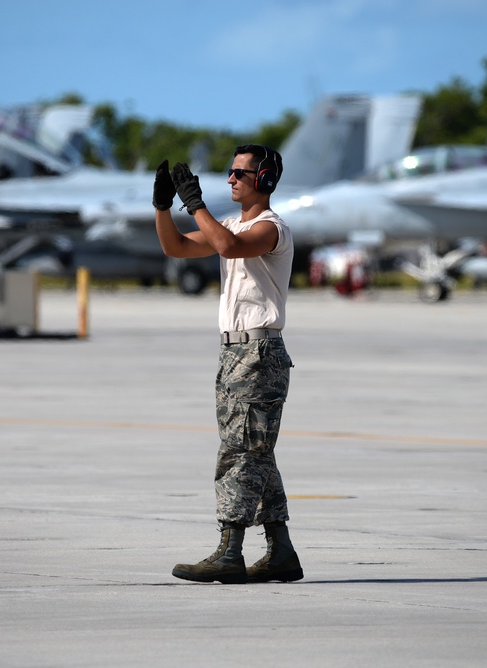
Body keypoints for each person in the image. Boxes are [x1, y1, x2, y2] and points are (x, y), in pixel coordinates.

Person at [153, 144, 303, 584]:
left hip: (258, 353)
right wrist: (164, 206)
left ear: (265, 180)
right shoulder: (233, 225)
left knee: (239, 454)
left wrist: (195, 204)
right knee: (257, 454)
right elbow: (176, 247)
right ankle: (281, 551)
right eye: (230, 173)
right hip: (235, 353)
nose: (231, 180)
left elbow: (230, 247)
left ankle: (230, 550)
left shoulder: (270, 229)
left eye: (240, 173)